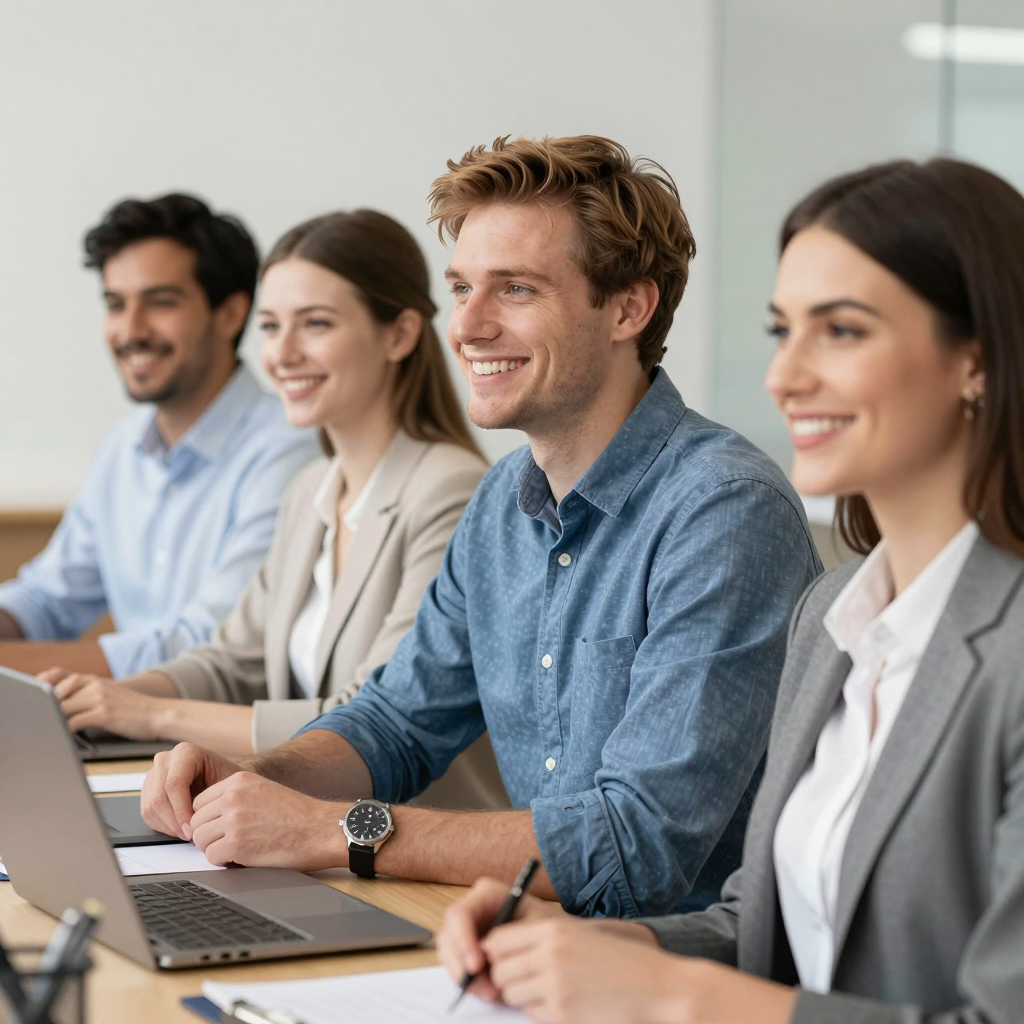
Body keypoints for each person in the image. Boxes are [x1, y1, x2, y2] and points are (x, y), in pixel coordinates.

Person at [140, 135, 821, 917]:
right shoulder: (503, 501)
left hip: (668, 974)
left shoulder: (723, 511)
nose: (465, 326)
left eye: (516, 290)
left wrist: (334, 830)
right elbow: (396, 724)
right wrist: (254, 780)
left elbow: (637, 849)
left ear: (629, 307)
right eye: (461, 287)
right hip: (523, 945)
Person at [436, 157, 1024, 1024]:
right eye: (783, 331)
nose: (783, 377)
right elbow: (766, 926)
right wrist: (602, 947)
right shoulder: (833, 617)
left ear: (975, 359)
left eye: (845, 331)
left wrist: (673, 995)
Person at [47, 209, 507, 808]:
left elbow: (367, 719)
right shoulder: (312, 488)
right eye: (269, 326)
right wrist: (103, 701)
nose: (282, 354)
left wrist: (151, 713)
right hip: (316, 835)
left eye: (315, 324)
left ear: (399, 334)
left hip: (420, 845)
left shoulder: (450, 490)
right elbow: (230, 660)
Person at [0, 194, 317, 679]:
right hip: (129, 732)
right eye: (115, 304)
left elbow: (205, 645)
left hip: (226, 743)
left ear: (231, 314)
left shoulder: (290, 450)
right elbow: (46, 598)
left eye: (160, 303)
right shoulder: (123, 447)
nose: (131, 330)